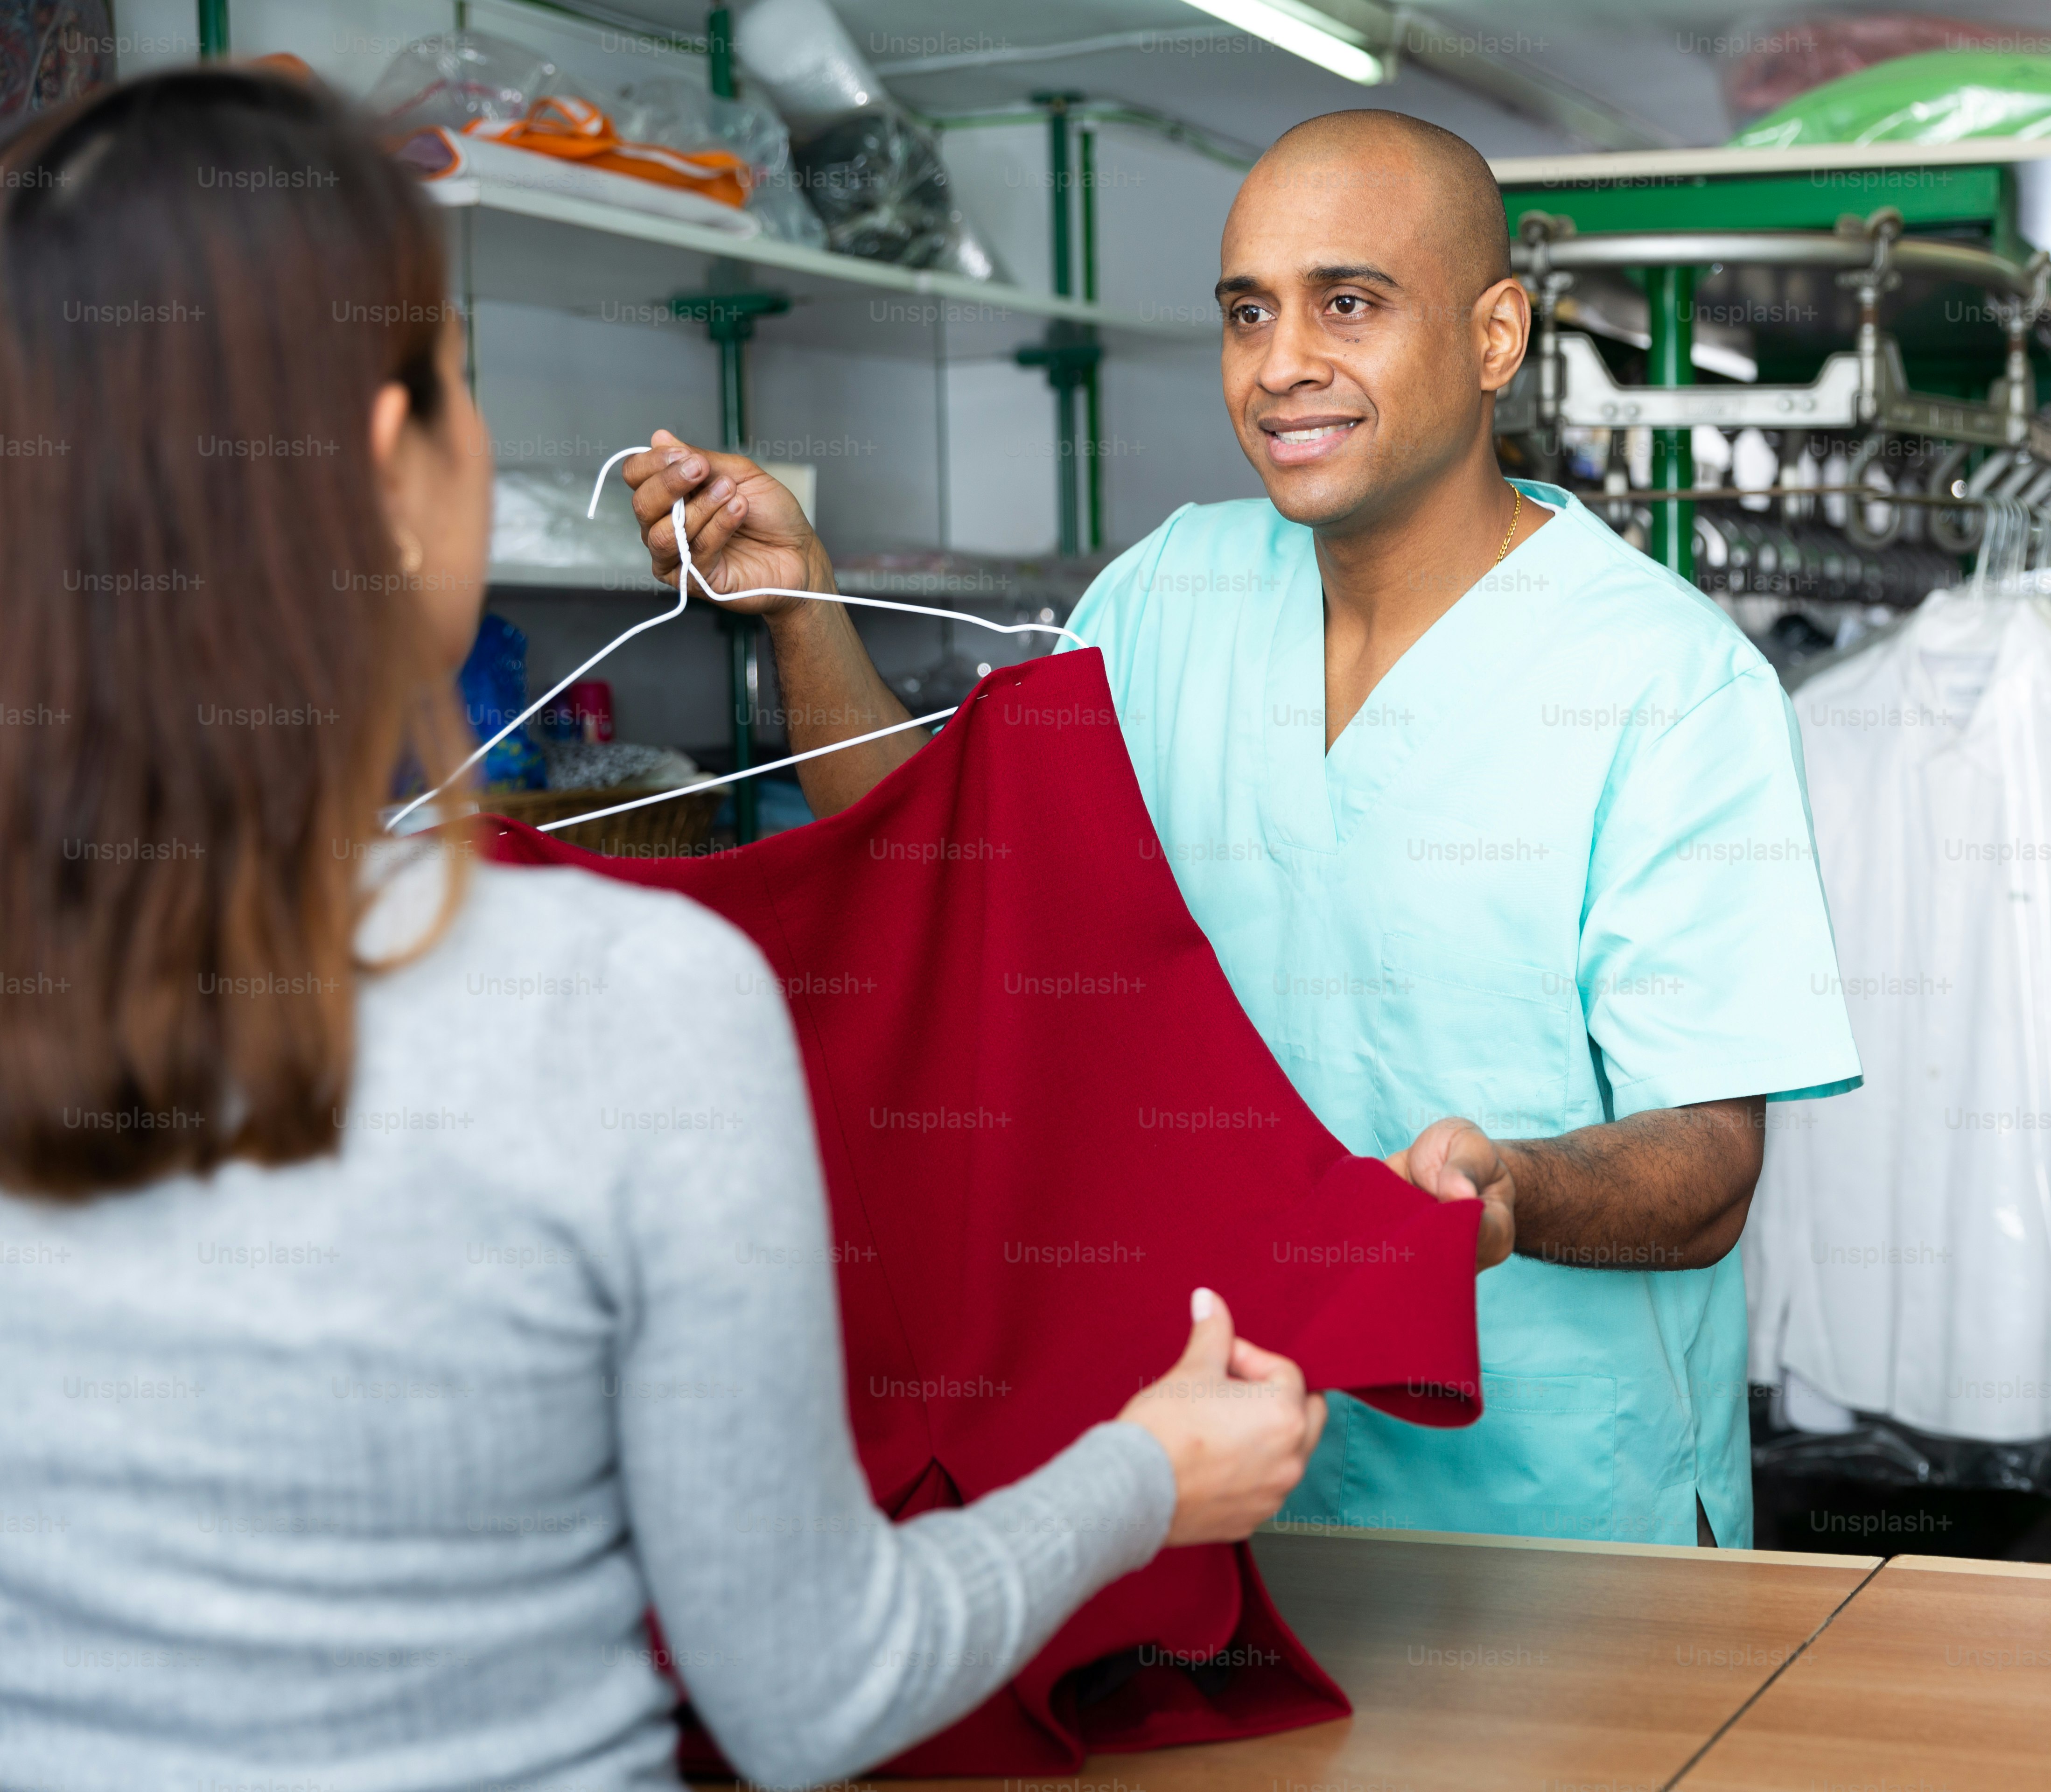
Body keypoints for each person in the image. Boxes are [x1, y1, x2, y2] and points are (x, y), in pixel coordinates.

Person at [0, 69, 1322, 1792]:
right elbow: (816, 1686)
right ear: (395, 472)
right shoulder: (619, 1004)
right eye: (464, 385)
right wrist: (1151, 1476)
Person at [621, 110, 1859, 1549]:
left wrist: (1513, 1188)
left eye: (1349, 304)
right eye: (1247, 312)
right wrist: (802, 611)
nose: (1280, 367)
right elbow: (944, 885)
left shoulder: (1670, 682)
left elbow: (1708, 1166)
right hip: (1215, 1487)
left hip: (1555, 1516)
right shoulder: (1171, 595)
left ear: (1495, 337)